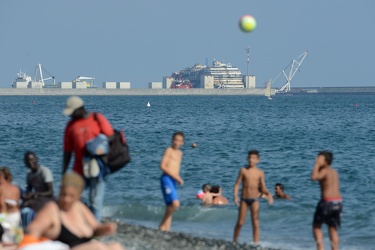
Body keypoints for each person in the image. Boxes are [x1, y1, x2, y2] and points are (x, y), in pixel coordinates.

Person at [19, 173, 124, 250]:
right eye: (63, 194)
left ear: (78, 196)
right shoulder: (52, 209)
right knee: (97, 247)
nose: (66, 199)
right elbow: (31, 231)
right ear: (59, 191)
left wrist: (105, 229)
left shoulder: (79, 207)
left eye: (71, 196)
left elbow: (95, 229)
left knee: (116, 247)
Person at [62, 96, 114, 220]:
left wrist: (95, 145)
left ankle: (94, 227)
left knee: (96, 201)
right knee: (72, 197)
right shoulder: (70, 126)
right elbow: (67, 152)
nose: (70, 116)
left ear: (80, 109)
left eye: (72, 113)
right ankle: (77, 221)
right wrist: (63, 172)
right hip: (78, 169)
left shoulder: (97, 118)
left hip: (98, 167)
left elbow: (111, 137)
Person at [233, 150, 273, 244]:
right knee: (240, 222)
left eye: (254, 158)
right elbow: (237, 184)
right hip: (244, 199)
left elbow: (263, 188)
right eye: (250, 158)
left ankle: (255, 244)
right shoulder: (243, 170)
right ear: (247, 159)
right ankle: (234, 241)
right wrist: (235, 196)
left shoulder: (260, 173)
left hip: (254, 200)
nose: (251, 160)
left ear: (258, 160)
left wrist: (269, 195)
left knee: (255, 223)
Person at [311, 151, 342, 250]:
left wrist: (316, 165)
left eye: (319, 159)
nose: (316, 160)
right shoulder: (334, 172)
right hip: (338, 202)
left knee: (316, 227)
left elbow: (314, 177)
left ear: (325, 161)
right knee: (333, 229)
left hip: (327, 202)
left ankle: (320, 248)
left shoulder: (325, 171)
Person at [159, 131, 184, 232]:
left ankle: (166, 229)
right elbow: (163, 166)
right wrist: (177, 177)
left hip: (173, 180)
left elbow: (176, 168)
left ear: (182, 142)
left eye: (179, 141)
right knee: (175, 204)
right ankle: (161, 225)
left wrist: (177, 177)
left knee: (170, 205)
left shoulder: (180, 153)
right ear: (172, 140)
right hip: (166, 178)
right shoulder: (168, 150)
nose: (177, 143)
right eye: (175, 140)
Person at [0, 167, 22, 245]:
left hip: (5, 216)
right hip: (16, 215)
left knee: (5, 241)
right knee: (15, 240)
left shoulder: (1, 188)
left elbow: (2, 207)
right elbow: (18, 204)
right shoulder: (16, 188)